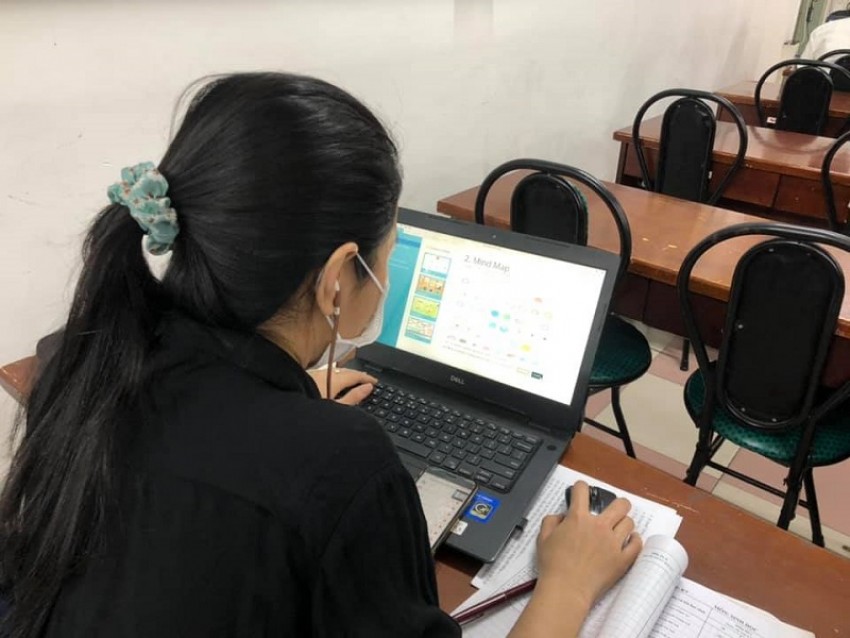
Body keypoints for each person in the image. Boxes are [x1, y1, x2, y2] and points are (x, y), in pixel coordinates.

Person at [0, 72, 641, 637]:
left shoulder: (80, 361)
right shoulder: (343, 461)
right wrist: (569, 583)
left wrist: (290, 398)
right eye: (389, 249)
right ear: (338, 277)